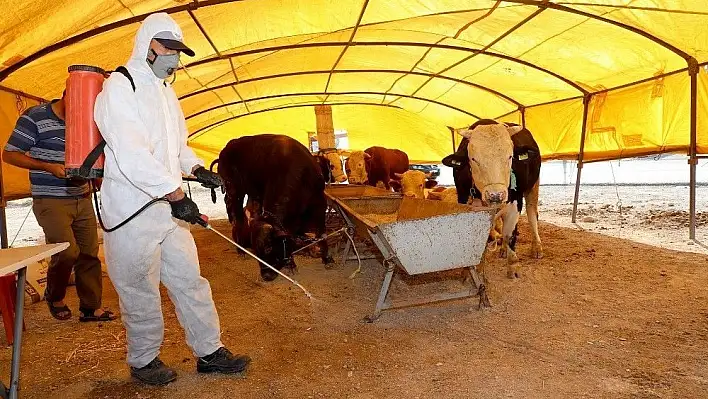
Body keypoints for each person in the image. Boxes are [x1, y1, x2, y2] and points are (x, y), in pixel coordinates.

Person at [93, 12, 251, 386]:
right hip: (133, 211)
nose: (175, 59)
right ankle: (144, 360)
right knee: (139, 286)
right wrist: (177, 194)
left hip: (167, 210)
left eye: (178, 52)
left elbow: (177, 146)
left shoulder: (166, 91)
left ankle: (209, 351)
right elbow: (132, 155)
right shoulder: (119, 87)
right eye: (168, 50)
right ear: (149, 46)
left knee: (190, 280)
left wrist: (197, 169)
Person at [3, 90, 117, 323]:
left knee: (89, 254)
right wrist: (49, 167)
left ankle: (90, 308)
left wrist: (97, 178)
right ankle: (54, 296)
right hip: (50, 198)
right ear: (69, 96)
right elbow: (10, 154)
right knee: (66, 252)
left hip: (82, 195)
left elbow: (93, 155)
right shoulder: (35, 117)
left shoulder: (88, 120)